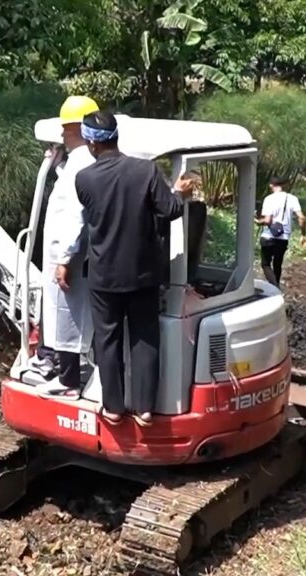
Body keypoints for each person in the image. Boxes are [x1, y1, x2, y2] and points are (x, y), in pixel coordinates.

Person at [74, 110, 197, 426]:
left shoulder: (84, 179)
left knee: (108, 339)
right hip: (143, 274)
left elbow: (99, 218)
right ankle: (144, 409)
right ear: (116, 137)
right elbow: (169, 211)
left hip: (104, 277)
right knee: (144, 339)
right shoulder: (146, 171)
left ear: (91, 142)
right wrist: (178, 194)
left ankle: (113, 408)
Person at [31, 95, 100, 398]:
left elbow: (75, 216)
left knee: (66, 314)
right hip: (68, 255)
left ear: (79, 128)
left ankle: (69, 379)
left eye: (66, 128)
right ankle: (68, 373)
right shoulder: (81, 161)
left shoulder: (82, 164)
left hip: (67, 257)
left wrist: (65, 259)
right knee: (67, 314)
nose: (62, 134)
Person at [256, 177, 306, 288]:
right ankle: (276, 287)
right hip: (283, 238)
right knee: (277, 264)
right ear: (284, 185)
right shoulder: (292, 199)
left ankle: (274, 287)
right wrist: (303, 235)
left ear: (271, 185)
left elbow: (267, 221)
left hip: (268, 237)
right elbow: (302, 218)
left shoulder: (269, 199)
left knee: (265, 264)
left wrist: (257, 221)